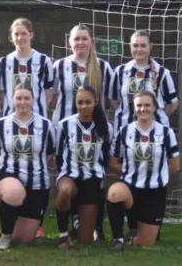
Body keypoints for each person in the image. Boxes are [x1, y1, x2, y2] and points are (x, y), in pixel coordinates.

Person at [107, 29, 178, 240]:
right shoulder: (120, 71)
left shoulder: (161, 73)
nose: (139, 49)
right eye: (135, 45)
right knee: (129, 174)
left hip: (153, 133)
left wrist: (155, 117)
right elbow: (113, 101)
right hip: (127, 133)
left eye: (143, 45)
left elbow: (173, 103)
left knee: (151, 170)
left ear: (150, 47)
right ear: (130, 47)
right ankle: (132, 224)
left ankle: (149, 222)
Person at [52, 24, 114, 242]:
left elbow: (110, 99)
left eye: (84, 39)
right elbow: (51, 97)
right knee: (68, 178)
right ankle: (70, 219)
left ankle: (91, 223)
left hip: (93, 130)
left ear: (91, 41)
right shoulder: (59, 66)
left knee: (94, 173)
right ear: (70, 42)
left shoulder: (104, 67)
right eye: (76, 39)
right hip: (67, 131)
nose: (80, 43)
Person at [106, 91, 180, 250]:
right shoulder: (125, 132)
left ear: (154, 108)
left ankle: (134, 236)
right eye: (139, 105)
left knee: (145, 244)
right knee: (114, 193)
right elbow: (113, 162)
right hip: (130, 188)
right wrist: (131, 174)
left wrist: (155, 175)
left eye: (147, 105)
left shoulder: (166, 133)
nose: (143, 109)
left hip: (154, 192)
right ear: (134, 109)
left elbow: (175, 165)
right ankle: (118, 240)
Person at [0, 83, 55, 250]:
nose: (22, 102)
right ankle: (5, 235)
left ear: (33, 100)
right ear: (12, 100)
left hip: (37, 182)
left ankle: (13, 224)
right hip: (7, 174)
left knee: (24, 240)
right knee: (14, 192)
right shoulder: (1, 124)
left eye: (26, 98)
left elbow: (50, 153)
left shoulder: (46, 125)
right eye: (18, 98)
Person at [54, 86, 113, 250]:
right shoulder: (65, 125)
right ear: (75, 103)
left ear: (96, 102)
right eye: (80, 102)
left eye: (88, 102)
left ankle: (76, 222)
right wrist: (65, 174)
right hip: (70, 177)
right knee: (65, 191)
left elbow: (106, 156)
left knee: (85, 241)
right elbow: (59, 156)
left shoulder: (106, 127)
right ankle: (62, 235)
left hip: (92, 182)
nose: (84, 106)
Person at [0, 17, 54, 118]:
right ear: (11, 37)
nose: (20, 38)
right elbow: (2, 93)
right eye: (16, 34)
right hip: (11, 118)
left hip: (37, 118)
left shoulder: (44, 60)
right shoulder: (4, 62)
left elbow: (48, 93)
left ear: (31, 35)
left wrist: (34, 108)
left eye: (24, 33)